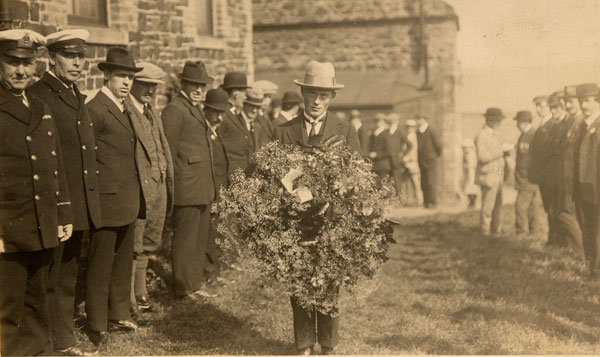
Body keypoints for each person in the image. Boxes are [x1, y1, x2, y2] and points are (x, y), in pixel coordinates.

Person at [273, 60, 360, 355]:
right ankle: (304, 344)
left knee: (329, 280)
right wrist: (295, 194)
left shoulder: (345, 130)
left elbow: (357, 174)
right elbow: (274, 173)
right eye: (312, 94)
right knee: (299, 280)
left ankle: (328, 343)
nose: (317, 101)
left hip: (332, 219)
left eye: (324, 95)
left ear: (332, 97)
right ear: (303, 95)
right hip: (296, 219)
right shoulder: (283, 131)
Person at [0, 28, 73, 357]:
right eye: (12, 62)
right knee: (7, 310)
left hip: (42, 225)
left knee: (38, 302)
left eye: (27, 63)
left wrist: (63, 213)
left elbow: (54, 165)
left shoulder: (41, 106)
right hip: (7, 230)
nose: (20, 71)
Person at [28, 29, 101, 355]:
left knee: (67, 275)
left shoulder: (75, 94)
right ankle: (44, 342)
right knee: (47, 276)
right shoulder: (39, 95)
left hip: (77, 205)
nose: (77, 63)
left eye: (80, 57)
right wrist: (58, 205)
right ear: (51, 58)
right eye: (69, 56)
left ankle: (63, 340)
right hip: (53, 203)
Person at [85, 47, 143, 346]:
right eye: (121, 76)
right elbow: (88, 162)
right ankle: (96, 323)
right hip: (106, 201)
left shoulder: (124, 107)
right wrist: (93, 201)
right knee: (101, 263)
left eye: (130, 77)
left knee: (122, 262)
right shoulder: (95, 108)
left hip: (127, 199)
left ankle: (118, 314)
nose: (126, 83)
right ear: (106, 75)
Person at [162, 61, 217, 299]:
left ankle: (194, 284)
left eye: (201, 85)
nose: (198, 89)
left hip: (201, 186)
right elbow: (168, 152)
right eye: (194, 84)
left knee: (198, 238)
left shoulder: (193, 108)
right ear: (184, 83)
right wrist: (173, 189)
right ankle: (182, 288)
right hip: (186, 187)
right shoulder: (175, 109)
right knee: (185, 239)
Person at [124, 62, 174, 314]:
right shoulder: (126, 111)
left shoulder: (150, 111)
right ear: (132, 83)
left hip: (158, 185)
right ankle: (129, 298)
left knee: (149, 240)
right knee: (133, 241)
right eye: (145, 85)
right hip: (139, 188)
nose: (150, 91)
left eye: (153, 87)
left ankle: (141, 292)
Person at [549, 86, 584, 253]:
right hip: (564, 178)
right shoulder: (570, 121)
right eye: (566, 102)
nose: (567, 106)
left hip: (574, 179)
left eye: (571, 102)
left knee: (566, 214)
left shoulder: (581, 122)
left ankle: (581, 253)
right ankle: (579, 252)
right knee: (564, 214)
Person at [202, 88, 231, 285]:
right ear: (206, 110)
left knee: (216, 232)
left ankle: (214, 272)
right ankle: (207, 273)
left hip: (220, 190)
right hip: (209, 191)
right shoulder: (204, 132)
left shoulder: (215, 132)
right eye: (215, 112)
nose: (219, 117)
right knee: (208, 233)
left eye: (222, 113)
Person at [574, 83, 600, 277]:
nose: (585, 105)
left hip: (596, 188)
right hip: (583, 189)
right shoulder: (583, 126)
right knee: (587, 228)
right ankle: (590, 267)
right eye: (582, 101)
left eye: (589, 101)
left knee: (597, 231)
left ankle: (596, 271)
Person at [219, 85, 272, 173]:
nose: (254, 110)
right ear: (244, 104)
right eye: (251, 106)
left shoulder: (258, 126)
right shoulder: (235, 121)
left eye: (257, 107)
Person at [528, 95, 559, 246]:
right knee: (548, 207)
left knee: (552, 208)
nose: (538, 109)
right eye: (536, 106)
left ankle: (555, 239)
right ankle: (553, 239)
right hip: (543, 176)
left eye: (541, 105)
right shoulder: (542, 125)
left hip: (549, 176)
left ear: (548, 106)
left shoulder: (553, 125)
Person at [474, 108, 506, 236]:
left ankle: (496, 230)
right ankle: (485, 231)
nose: (499, 123)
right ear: (490, 121)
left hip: (496, 174)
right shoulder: (482, 135)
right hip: (488, 175)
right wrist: (500, 152)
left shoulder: (495, 134)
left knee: (498, 206)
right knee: (488, 206)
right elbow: (481, 156)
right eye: (497, 121)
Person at [513, 111, 544, 236]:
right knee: (534, 206)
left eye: (518, 122)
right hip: (527, 178)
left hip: (528, 178)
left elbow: (534, 158)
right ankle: (535, 232)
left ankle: (522, 231)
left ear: (524, 122)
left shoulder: (532, 135)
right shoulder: (524, 135)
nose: (516, 125)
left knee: (520, 206)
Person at [416, 114, 442, 208]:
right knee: (424, 182)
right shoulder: (418, 132)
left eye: (419, 119)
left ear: (424, 120)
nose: (418, 121)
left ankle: (432, 202)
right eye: (417, 119)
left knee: (431, 181)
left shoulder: (431, 130)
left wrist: (434, 156)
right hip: (422, 160)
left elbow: (439, 146)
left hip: (431, 160)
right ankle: (426, 202)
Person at [386, 113, 412, 200]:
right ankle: (390, 199)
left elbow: (409, 145)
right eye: (391, 122)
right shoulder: (387, 131)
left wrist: (402, 154)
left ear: (397, 122)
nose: (392, 123)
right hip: (387, 159)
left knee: (397, 180)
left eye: (394, 121)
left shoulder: (400, 132)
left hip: (397, 159)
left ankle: (398, 199)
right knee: (388, 179)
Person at [403, 119, 423, 206]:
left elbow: (414, 150)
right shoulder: (407, 136)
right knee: (407, 182)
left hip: (413, 162)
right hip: (406, 162)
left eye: (411, 127)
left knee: (416, 182)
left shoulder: (415, 137)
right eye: (408, 127)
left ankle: (419, 200)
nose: (409, 129)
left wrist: (408, 158)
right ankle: (408, 200)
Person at [368, 113, 391, 184]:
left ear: (384, 122)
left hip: (383, 165)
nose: (378, 123)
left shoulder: (387, 134)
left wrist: (377, 154)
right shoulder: (373, 134)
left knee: (383, 186)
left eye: (380, 121)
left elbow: (389, 151)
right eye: (376, 121)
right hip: (374, 165)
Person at [461, 138, 478, 209]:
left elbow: (471, 164)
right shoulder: (467, 155)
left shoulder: (471, 154)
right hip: (468, 173)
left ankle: (472, 202)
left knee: (471, 187)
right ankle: (471, 202)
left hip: (471, 173)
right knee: (468, 187)